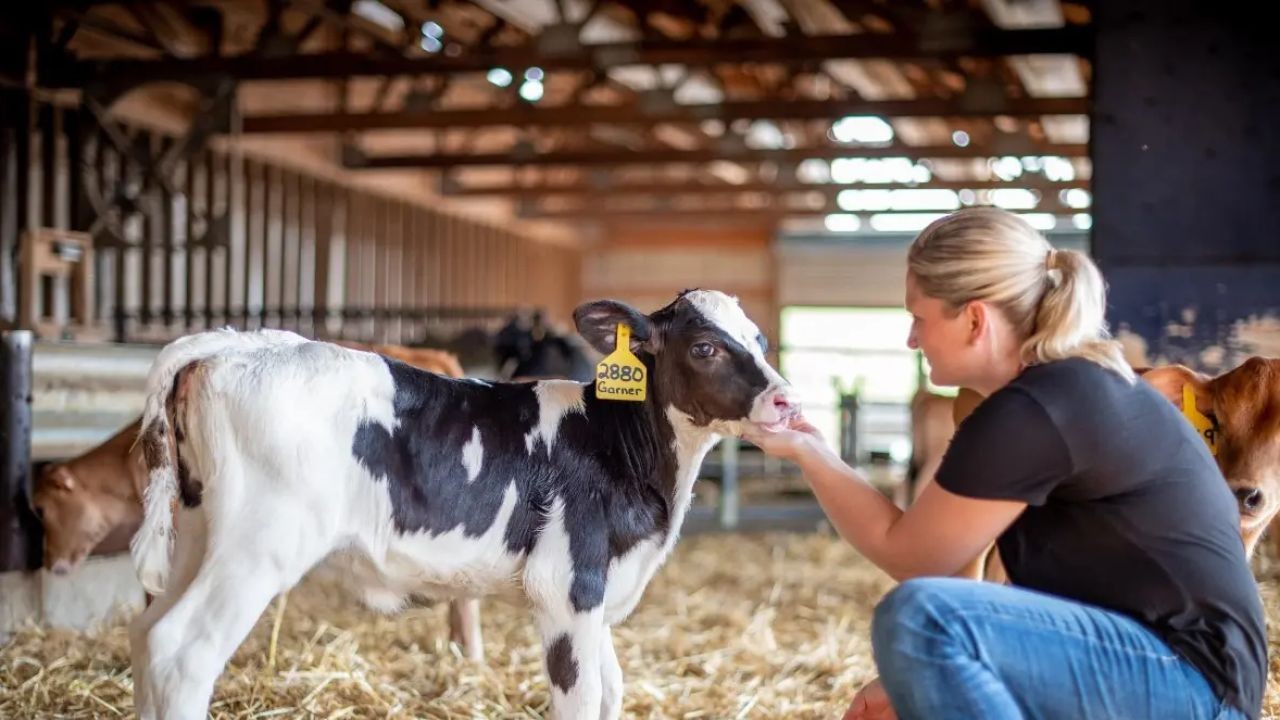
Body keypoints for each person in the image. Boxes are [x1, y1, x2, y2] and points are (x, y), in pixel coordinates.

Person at [743, 208, 1266, 720]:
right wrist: (915, 681)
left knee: (919, 617)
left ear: (974, 319)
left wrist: (810, 452)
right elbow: (952, 569)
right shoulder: (1057, 391)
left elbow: (915, 562)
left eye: (918, 317)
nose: (911, 339)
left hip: (1194, 686)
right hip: (1152, 670)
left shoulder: (1042, 407)